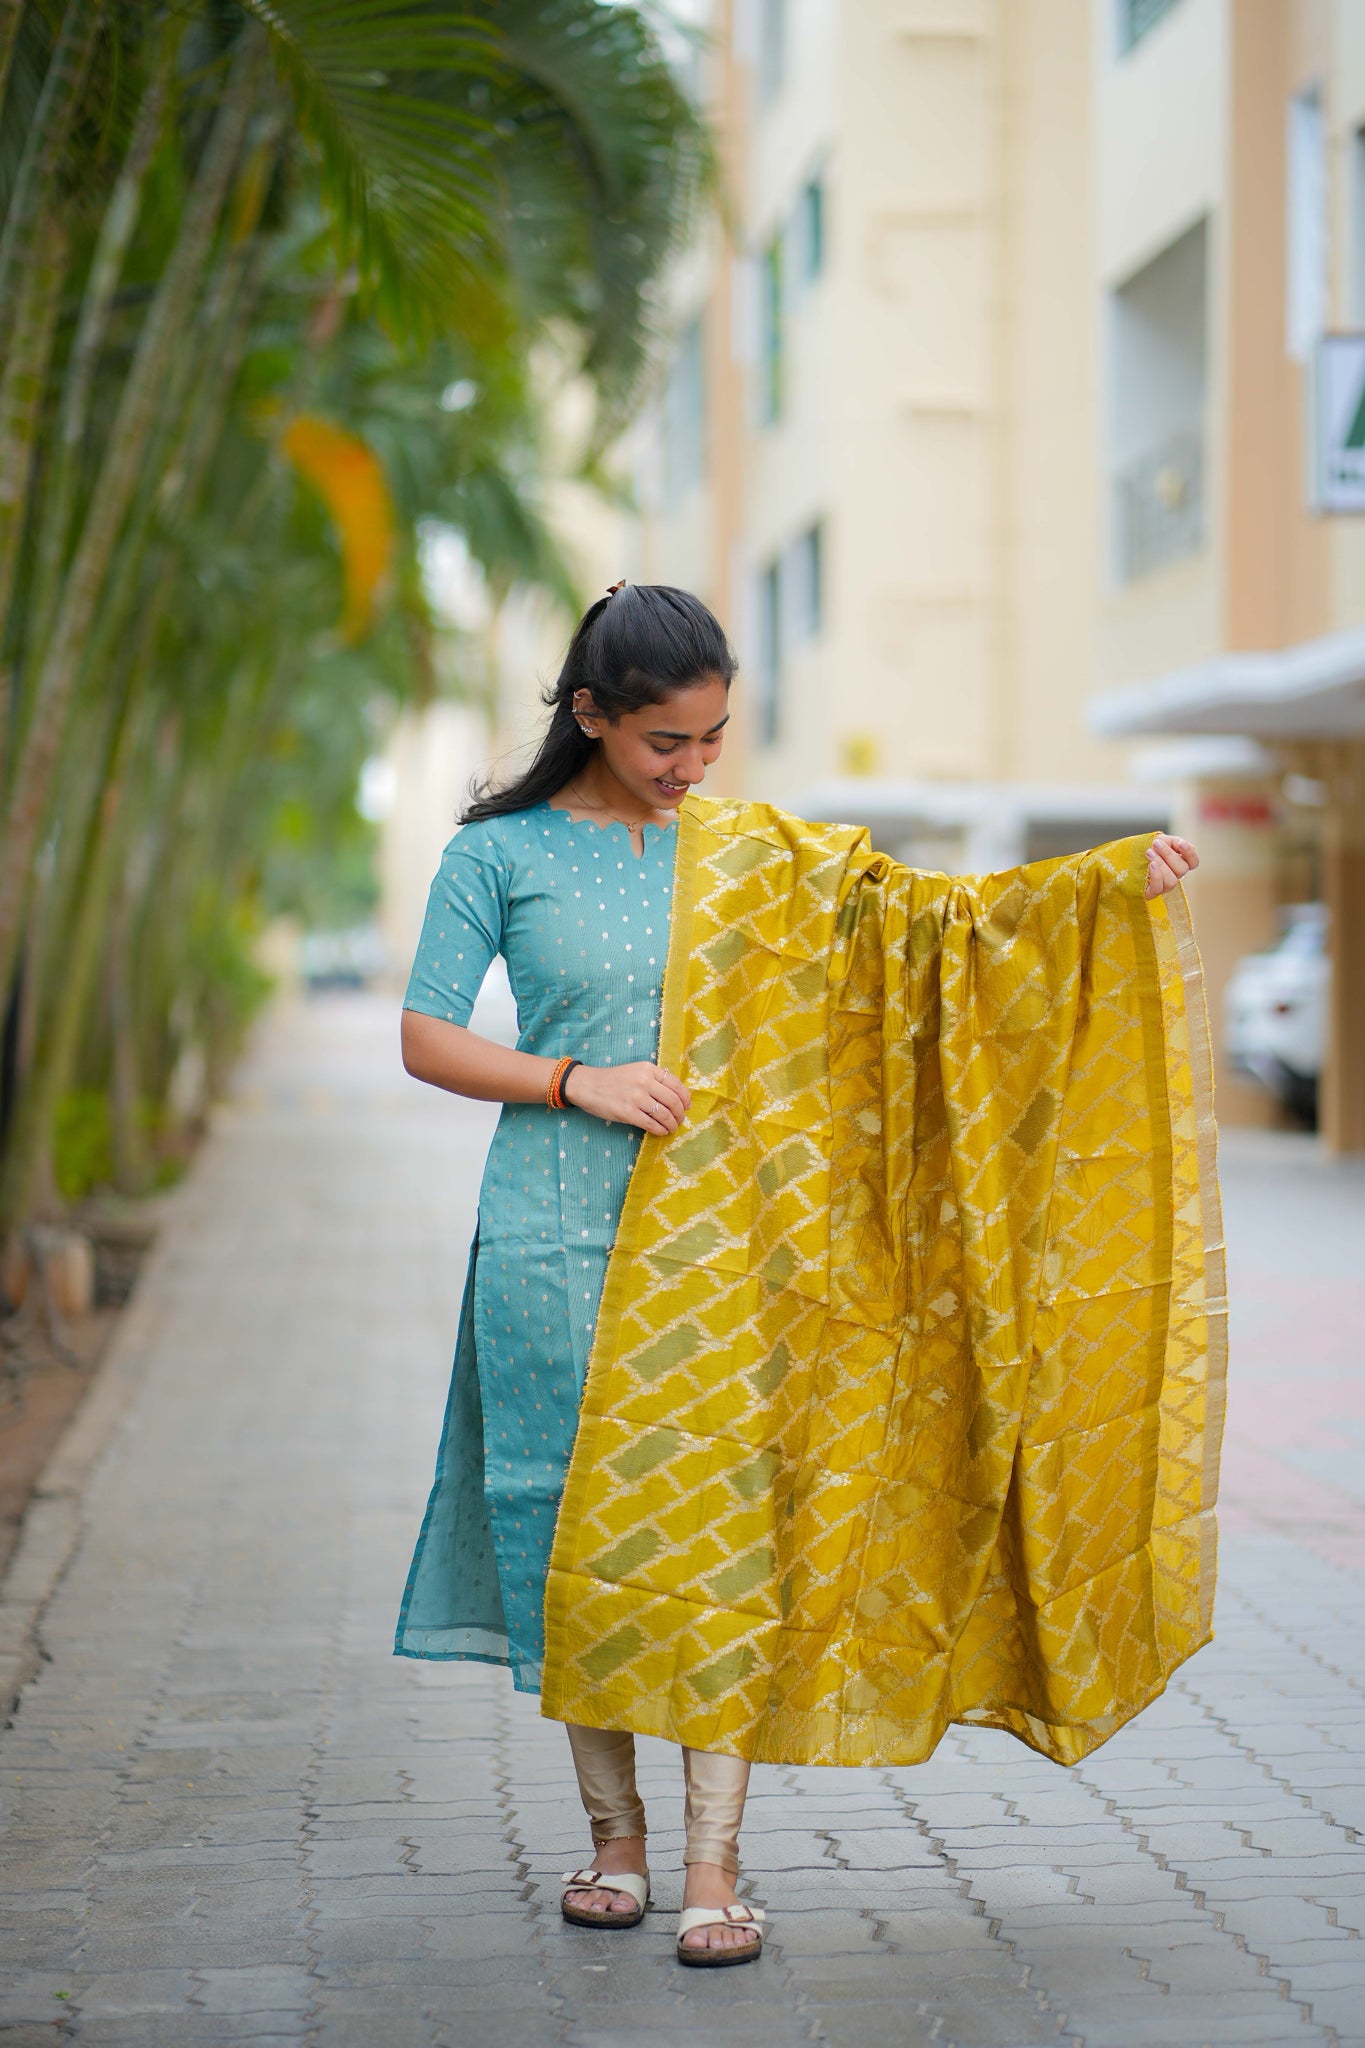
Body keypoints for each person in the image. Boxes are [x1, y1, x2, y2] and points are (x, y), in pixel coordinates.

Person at [395, 582, 1202, 1969]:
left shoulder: (755, 857)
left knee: (717, 1539)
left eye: (711, 741)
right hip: (551, 1234)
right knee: (571, 1534)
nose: (692, 770)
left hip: (727, 1251)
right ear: (589, 716)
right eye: (665, 744)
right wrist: (573, 1079)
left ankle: (712, 1864)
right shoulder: (499, 856)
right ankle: (615, 1844)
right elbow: (423, 1036)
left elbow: (931, 931)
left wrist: (1089, 887)